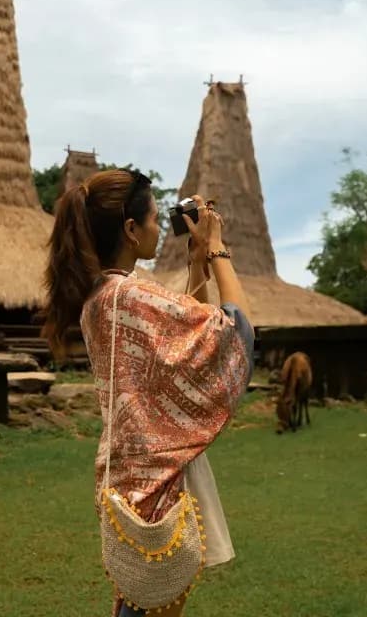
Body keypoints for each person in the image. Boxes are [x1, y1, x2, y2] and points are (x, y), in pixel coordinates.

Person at [42, 168, 256, 617]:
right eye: (156, 218)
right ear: (130, 229)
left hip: (132, 476)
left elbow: (181, 344)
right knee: (153, 605)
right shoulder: (130, 295)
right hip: (156, 480)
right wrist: (217, 248)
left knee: (141, 604)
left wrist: (195, 261)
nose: (160, 228)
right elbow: (236, 330)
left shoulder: (101, 297)